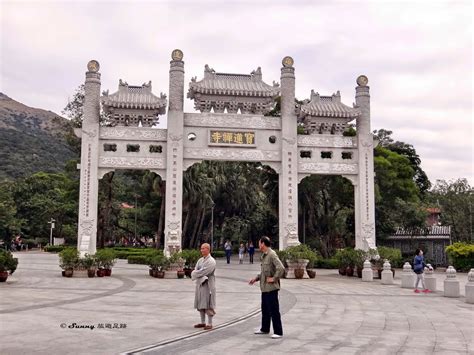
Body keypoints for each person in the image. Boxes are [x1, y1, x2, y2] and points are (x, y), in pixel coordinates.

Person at [249, 236, 285, 339]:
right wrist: (256, 278)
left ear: (263, 244)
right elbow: (263, 273)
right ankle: (264, 329)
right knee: (265, 309)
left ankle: (278, 331)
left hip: (271, 288)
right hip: (264, 288)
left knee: (274, 310)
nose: (258, 245)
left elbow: (281, 268)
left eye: (259, 243)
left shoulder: (272, 254)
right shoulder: (264, 255)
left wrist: (274, 278)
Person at [191, 243, 217, 330]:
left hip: (208, 284)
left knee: (208, 303)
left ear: (208, 249)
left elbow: (204, 272)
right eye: (201, 248)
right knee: (200, 302)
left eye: (203, 249)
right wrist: (196, 273)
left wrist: (197, 273)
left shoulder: (212, 261)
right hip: (200, 284)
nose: (201, 250)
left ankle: (210, 323)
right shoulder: (200, 260)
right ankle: (202, 322)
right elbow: (196, 270)